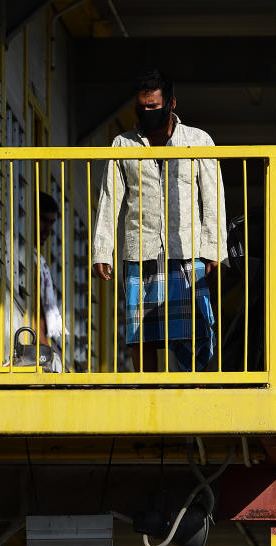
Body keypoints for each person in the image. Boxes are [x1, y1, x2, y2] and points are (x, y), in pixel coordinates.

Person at [92, 69, 226, 372]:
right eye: (141, 107)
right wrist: (103, 250)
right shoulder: (122, 144)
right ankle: (147, 393)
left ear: (171, 104)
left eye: (153, 106)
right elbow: (110, 198)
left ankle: (195, 396)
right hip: (142, 249)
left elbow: (213, 197)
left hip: (187, 251)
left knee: (196, 331)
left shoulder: (198, 140)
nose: (146, 112)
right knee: (141, 333)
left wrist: (214, 249)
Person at [37, 192, 64, 373]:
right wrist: (43, 347)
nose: (48, 228)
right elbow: (36, 310)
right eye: (44, 220)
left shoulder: (41, 262)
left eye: (52, 222)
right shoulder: (31, 261)